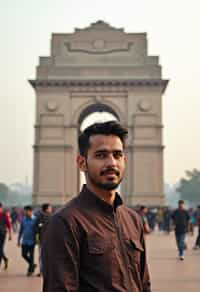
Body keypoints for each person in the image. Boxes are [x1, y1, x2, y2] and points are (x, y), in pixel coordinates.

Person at [42, 121, 151, 292]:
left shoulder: (132, 219)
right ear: (81, 162)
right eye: (101, 155)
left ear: (125, 160)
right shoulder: (65, 222)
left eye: (117, 155)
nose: (112, 163)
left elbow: (143, 283)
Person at [17, 205, 37, 276]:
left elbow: (38, 229)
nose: (26, 212)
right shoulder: (23, 219)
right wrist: (18, 240)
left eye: (27, 211)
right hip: (24, 241)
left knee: (31, 256)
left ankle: (30, 270)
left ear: (31, 211)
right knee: (23, 254)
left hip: (32, 240)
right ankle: (32, 265)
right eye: (25, 211)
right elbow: (21, 230)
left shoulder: (35, 219)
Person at [35, 203, 52, 276]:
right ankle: (47, 271)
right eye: (50, 208)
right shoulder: (53, 217)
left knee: (41, 256)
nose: (51, 209)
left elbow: (36, 229)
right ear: (47, 209)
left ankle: (42, 271)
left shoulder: (39, 217)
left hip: (42, 240)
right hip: (49, 240)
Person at [0, 203, 12, 270]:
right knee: (0, 249)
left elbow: (9, 225)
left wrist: (10, 235)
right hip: (2, 233)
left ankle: (4, 259)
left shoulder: (4, 215)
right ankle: (5, 259)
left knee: (0, 248)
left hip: (2, 233)